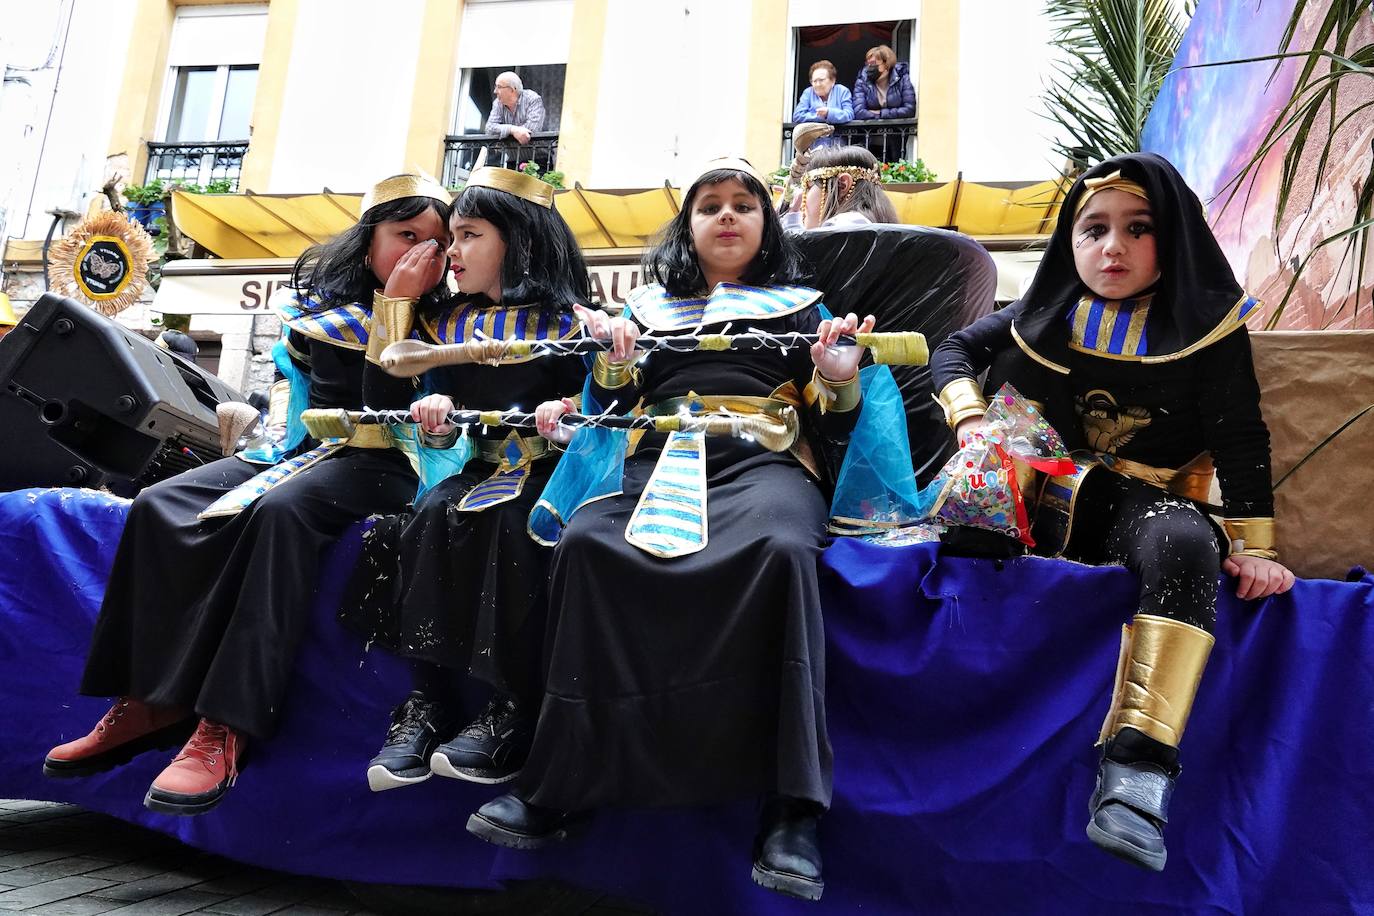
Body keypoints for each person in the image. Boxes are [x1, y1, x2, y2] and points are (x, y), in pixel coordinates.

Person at [464, 157, 875, 904]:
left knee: (783, 551)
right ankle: (557, 781)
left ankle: (791, 810)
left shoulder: (810, 307)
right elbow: (607, 406)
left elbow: (834, 414)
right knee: (588, 546)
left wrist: (839, 376)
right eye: (709, 205)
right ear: (687, 227)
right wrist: (615, 368)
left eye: (742, 204)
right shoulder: (645, 310)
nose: (725, 215)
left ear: (764, 223)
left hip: (764, 465)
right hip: (656, 462)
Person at [41, 174, 453, 816]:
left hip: (392, 465)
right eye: (405, 235)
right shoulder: (321, 316)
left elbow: (386, 412)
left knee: (282, 514)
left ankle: (224, 726)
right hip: (311, 454)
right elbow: (309, 412)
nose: (418, 254)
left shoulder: (447, 323)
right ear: (368, 237)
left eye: (435, 242)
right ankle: (147, 698)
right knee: (162, 502)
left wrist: (398, 306)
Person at [929, 152, 1296, 871]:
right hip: (1040, 494)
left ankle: (1139, 771)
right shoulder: (1042, 315)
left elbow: (1239, 436)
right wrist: (972, 419)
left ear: (1176, 237)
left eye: (1138, 229)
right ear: (1070, 240)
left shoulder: (1210, 328)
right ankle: (953, 702)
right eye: (1093, 229)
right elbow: (952, 349)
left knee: (1190, 542)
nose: (1112, 247)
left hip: (1143, 506)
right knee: (987, 473)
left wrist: (1257, 547)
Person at [336, 166, 590, 793]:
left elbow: (606, 409)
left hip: (553, 476)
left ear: (520, 241)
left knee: (511, 524)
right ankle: (428, 699)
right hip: (478, 468)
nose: (453, 252)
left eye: (469, 235)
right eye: (453, 237)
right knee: (425, 519)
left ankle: (510, 705)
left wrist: (569, 419)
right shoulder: (447, 322)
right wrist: (437, 421)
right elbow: (381, 397)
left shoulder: (577, 324)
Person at [785, 145, 898, 231]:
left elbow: (807, 258)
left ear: (842, 185)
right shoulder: (862, 224)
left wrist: (789, 222)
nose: (802, 197)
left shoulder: (844, 226)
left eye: (808, 187)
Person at [852, 45, 916, 164]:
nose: (870, 67)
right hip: (870, 139)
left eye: (875, 64)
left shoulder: (902, 79)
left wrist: (880, 113)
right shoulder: (862, 80)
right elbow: (858, 111)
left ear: (886, 64)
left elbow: (909, 109)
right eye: (868, 63)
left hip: (896, 139)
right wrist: (888, 114)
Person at [486, 71, 545, 146]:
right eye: (495, 87)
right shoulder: (498, 103)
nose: (495, 91)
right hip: (513, 157)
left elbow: (532, 129)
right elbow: (489, 128)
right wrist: (512, 130)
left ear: (512, 89)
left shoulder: (532, 99)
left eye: (499, 87)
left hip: (538, 156)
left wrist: (504, 132)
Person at [792, 60, 853, 129]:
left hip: (837, 138)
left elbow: (849, 114)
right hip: (814, 138)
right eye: (814, 81)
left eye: (821, 80)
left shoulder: (842, 91)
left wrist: (829, 113)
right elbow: (797, 116)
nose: (818, 84)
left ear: (833, 81)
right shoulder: (808, 93)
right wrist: (822, 117)